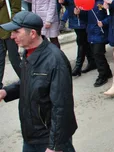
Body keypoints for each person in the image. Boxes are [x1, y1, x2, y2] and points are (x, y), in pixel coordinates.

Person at [0, 11, 78, 151]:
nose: (12, 36)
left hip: (49, 138)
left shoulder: (55, 60)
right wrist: (6, 92)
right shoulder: (29, 53)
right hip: (31, 136)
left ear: (32, 34)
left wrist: (54, 145)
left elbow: (61, 106)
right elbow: (31, 82)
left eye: (16, 31)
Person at [59, 0, 96, 77]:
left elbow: (87, 3)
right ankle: (91, 61)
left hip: (82, 18)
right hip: (74, 18)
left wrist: (80, 12)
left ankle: (78, 66)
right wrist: (63, 1)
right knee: (83, 42)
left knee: (81, 42)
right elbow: (68, 2)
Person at [86, 0, 113, 87]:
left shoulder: (103, 1)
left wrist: (104, 22)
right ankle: (107, 71)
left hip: (100, 32)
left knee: (98, 53)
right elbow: (85, 17)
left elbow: (111, 16)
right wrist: (77, 13)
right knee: (97, 54)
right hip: (91, 31)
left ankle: (102, 75)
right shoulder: (86, 2)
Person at [0, 0, 21, 89]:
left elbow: (16, 9)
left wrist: (13, 27)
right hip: (0, 31)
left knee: (14, 58)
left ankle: (26, 80)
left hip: (9, 30)